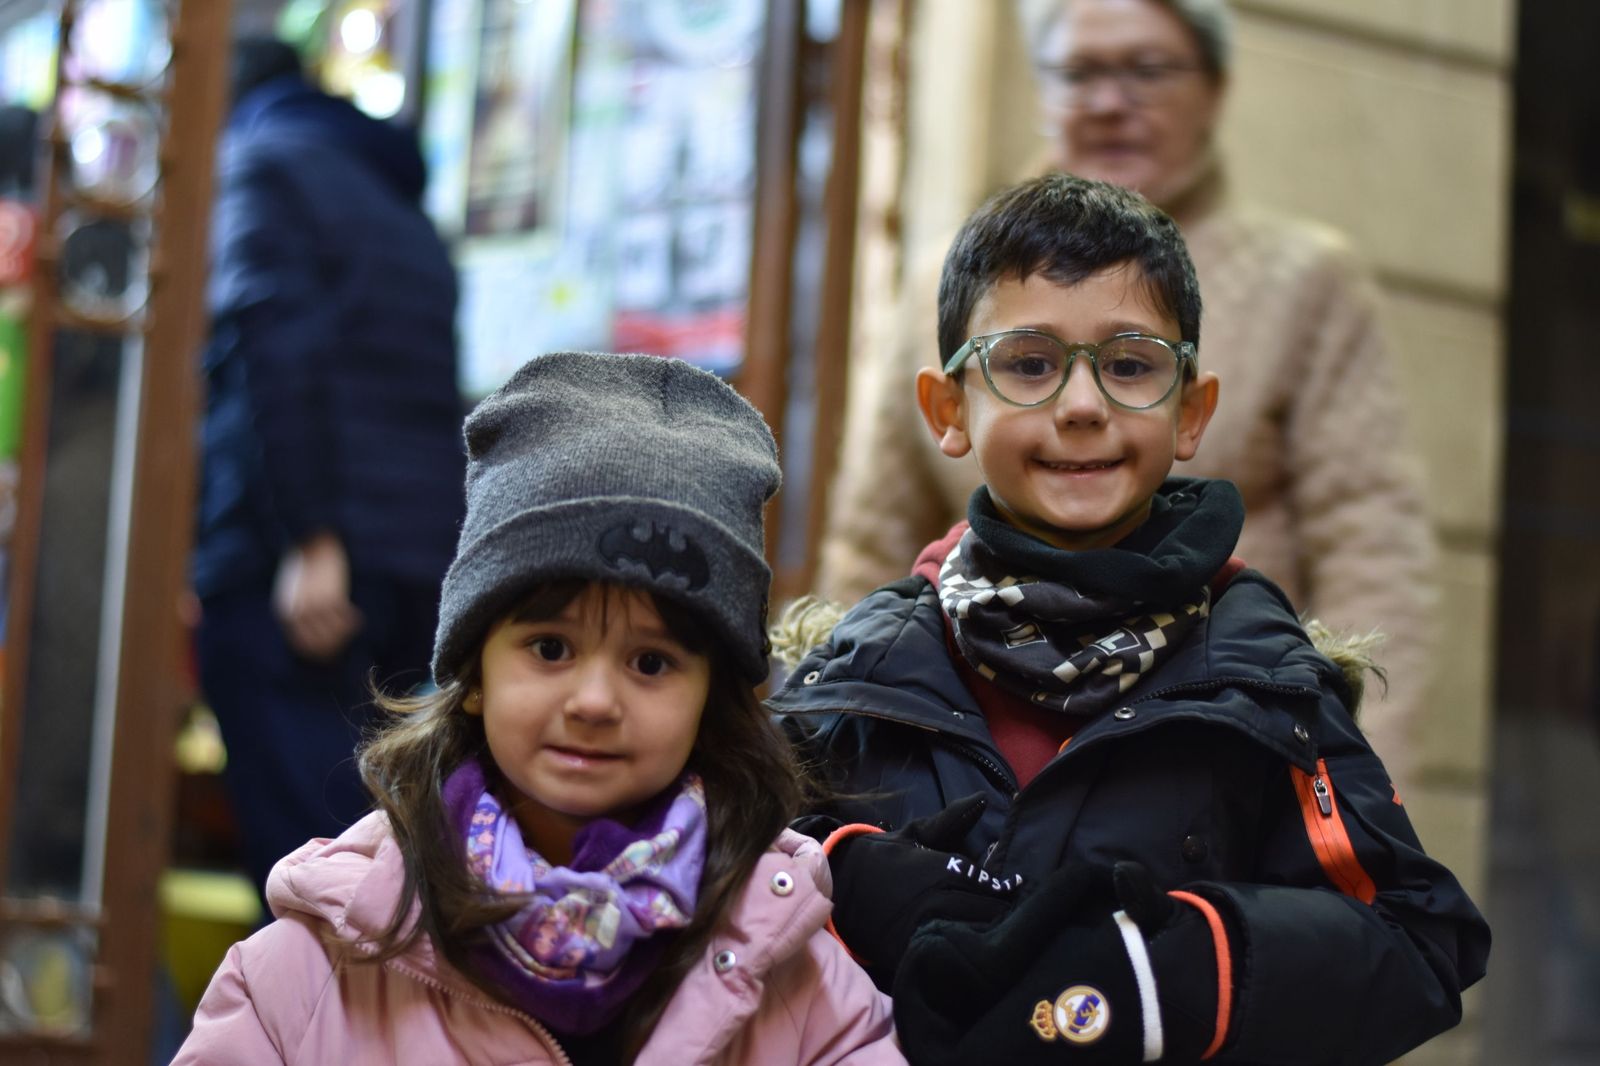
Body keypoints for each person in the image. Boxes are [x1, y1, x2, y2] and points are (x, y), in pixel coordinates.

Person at [771, 174, 1488, 1065]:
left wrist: (1158, 974)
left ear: (1190, 413)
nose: (1081, 405)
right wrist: (840, 869)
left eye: (1131, 364)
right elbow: (716, 888)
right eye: (1028, 363)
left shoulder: (1264, 685)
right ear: (948, 410)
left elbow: (1418, 943)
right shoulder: (853, 679)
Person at [175, 352, 903, 1064]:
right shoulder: (305, 979)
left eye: (651, 663)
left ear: (710, 699)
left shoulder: (799, 984)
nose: (593, 702)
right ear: (475, 671)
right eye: (550, 648)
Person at [816, 0, 1436, 784]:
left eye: (1148, 70)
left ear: (1214, 89)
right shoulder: (946, 281)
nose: (1111, 101)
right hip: (970, 761)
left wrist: (1355, 795)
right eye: (1079, 72)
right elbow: (870, 542)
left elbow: (1372, 553)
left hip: (1224, 759)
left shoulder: (1305, 283)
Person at [191, 38, 467, 896]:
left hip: (309, 567)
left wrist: (311, 539)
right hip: (414, 563)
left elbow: (278, 345)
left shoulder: (259, 164)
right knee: (375, 841)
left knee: (306, 871)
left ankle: (307, 1028)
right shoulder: (395, 200)